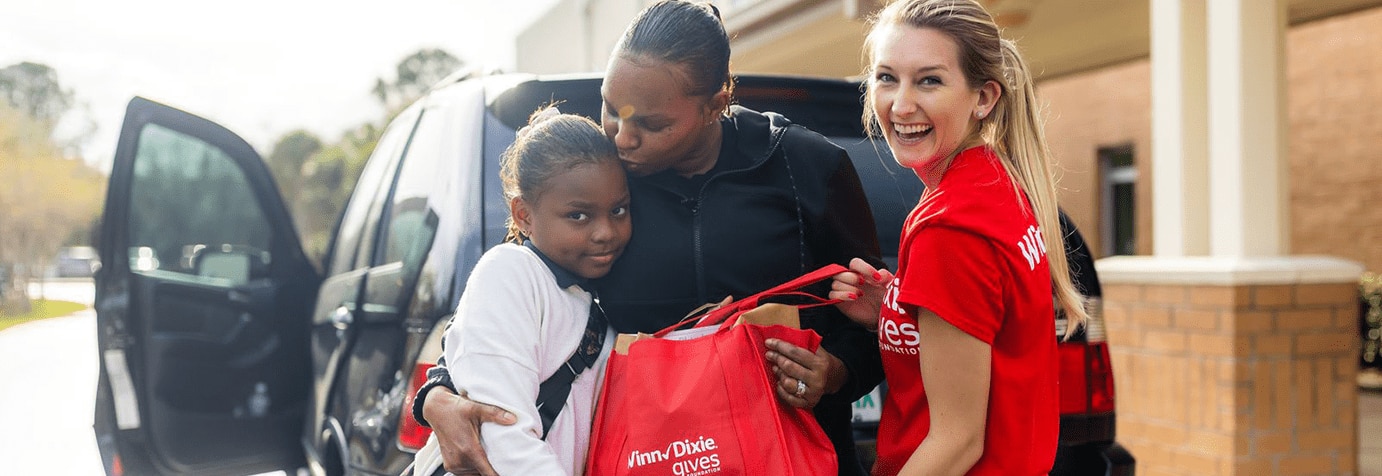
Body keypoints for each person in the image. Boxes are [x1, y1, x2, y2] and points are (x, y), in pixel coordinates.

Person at [410, 1, 885, 475]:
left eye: (652, 124)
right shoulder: (606, 182)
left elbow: (885, 321)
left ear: (715, 105)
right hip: (649, 460)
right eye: (611, 109)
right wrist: (437, 395)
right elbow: (513, 298)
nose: (622, 137)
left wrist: (838, 371)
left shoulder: (806, 168)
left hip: (790, 457)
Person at [827, 1, 1090, 474]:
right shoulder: (998, 182)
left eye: (929, 80)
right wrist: (894, 309)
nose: (901, 105)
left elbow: (957, 443)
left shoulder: (949, 227)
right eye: (887, 77)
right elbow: (991, 333)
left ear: (983, 98)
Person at [425, 107, 629, 475]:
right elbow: (503, 437)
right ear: (524, 215)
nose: (606, 232)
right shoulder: (509, 273)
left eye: (618, 210)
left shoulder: (596, 299)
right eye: (579, 216)